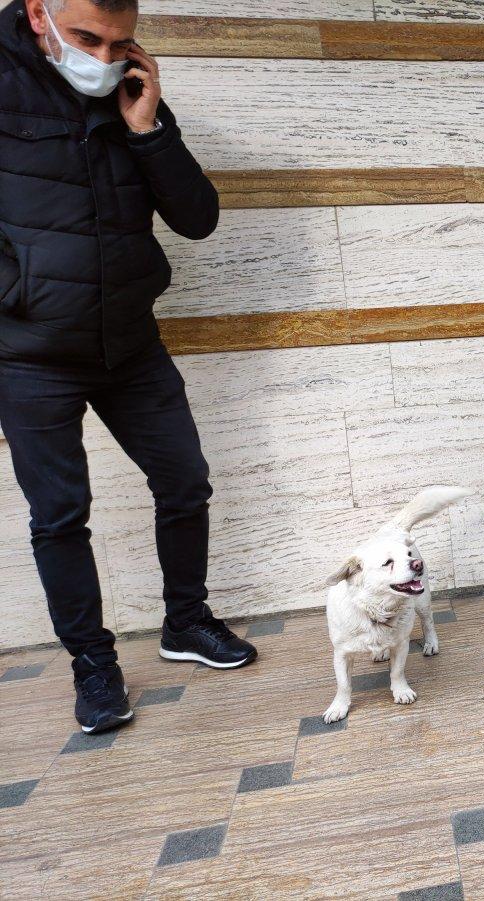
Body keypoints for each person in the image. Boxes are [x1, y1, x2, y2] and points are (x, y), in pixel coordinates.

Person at [0, 0, 256, 735]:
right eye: (86, 39)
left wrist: (148, 130)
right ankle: (93, 666)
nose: (103, 56)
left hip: (129, 342)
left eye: (118, 42)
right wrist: (15, 293)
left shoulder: (128, 89)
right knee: (60, 515)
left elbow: (197, 215)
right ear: (39, 11)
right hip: (30, 353)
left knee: (184, 480)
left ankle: (186, 621)